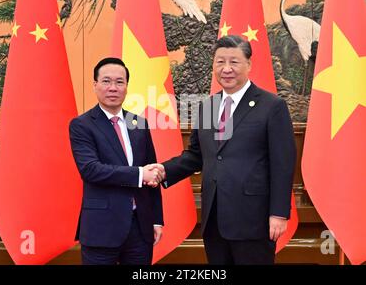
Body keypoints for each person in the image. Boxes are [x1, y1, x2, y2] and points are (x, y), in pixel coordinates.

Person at [150, 35, 296, 264]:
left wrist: (278, 213)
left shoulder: (272, 106)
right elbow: (197, 155)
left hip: (254, 220)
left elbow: (283, 164)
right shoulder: (208, 105)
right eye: (220, 62)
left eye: (234, 62)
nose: (226, 69)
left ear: (248, 64)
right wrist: (163, 170)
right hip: (214, 218)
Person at [69, 57, 164, 265]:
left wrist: (157, 219)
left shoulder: (138, 123)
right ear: (95, 85)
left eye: (119, 82)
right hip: (101, 229)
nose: (113, 87)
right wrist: (139, 174)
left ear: (127, 87)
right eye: (106, 81)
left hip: (140, 229)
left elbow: (152, 172)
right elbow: (91, 170)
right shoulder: (82, 125)